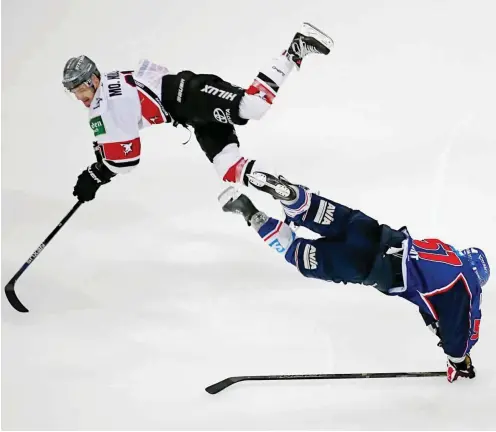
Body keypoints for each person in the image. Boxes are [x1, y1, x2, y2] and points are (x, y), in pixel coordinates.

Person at [219, 172, 490, 383]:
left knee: (320, 212)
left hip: (375, 232)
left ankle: (293, 198)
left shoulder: (448, 253)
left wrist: (434, 323)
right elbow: (459, 332)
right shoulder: (466, 287)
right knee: (298, 253)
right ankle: (248, 210)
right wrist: (460, 361)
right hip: (371, 266)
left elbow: (428, 299)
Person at [61, 23, 333, 203]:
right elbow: (115, 132)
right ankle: (295, 194)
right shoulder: (107, 88)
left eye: (80, 89)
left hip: (190, 93)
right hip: (190, 116)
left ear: (92, 80)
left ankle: (294, 49)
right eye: (73, 92)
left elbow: (127, 160)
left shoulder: (104, 105)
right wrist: (101, 156)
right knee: (227, 167)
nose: (79, 97)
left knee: (252, 107)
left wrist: (97, 175)